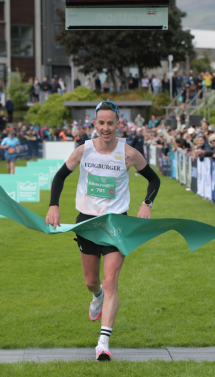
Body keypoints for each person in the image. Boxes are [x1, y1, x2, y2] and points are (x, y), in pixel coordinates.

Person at [46, 101, 161, 361]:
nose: (106, 128)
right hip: (87, 222)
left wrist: (147, 203)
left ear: (118, 123)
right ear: (94, 123)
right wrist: (54, 205)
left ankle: (103, 342)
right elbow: (60, 177)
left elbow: (154, 179)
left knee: (111, 282)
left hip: (116, 224)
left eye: (111, 122)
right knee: (92, 282)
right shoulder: (84, 150)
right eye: (101, 123)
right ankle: (95, 296)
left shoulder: (129, 153)